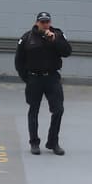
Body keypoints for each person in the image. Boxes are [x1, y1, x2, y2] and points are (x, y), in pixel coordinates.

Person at [14, 11, 73, 155]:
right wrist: (27, 78)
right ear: (37, 23)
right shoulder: (27, 38)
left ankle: (53, 142)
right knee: (33, 110)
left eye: (47, 22)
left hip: (52, 78)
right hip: (34, 79)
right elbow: (19, 61)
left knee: (58, 110)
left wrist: (55, 40)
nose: (45, 24)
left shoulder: (57, 35)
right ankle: (34, 142)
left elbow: (67, 52)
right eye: (42, 22)